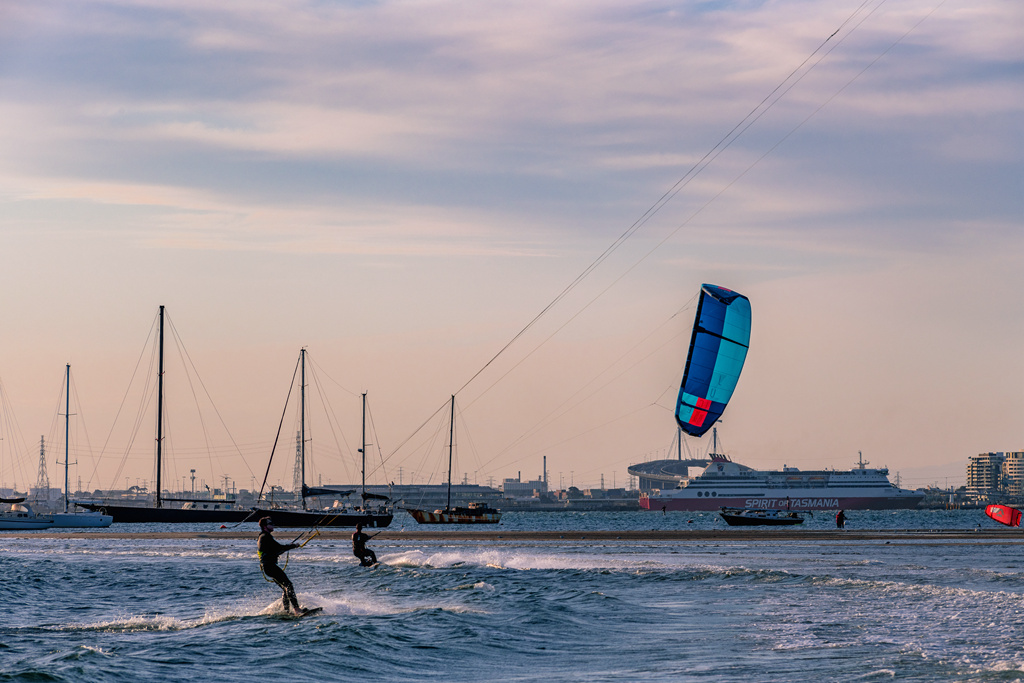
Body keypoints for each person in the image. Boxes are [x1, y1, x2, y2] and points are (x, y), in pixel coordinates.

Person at [257, 516, 305, 614]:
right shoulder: (266, 537)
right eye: (270, 524)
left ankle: (287, 611)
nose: (273, 525)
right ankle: (297, 609)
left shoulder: (263, 537)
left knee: (285, 588)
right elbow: (279, 548)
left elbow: (276, 550)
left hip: (268, 567)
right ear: (265, 526)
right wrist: (293, 546)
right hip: (270, 566)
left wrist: (288, 547)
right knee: (288, 585)